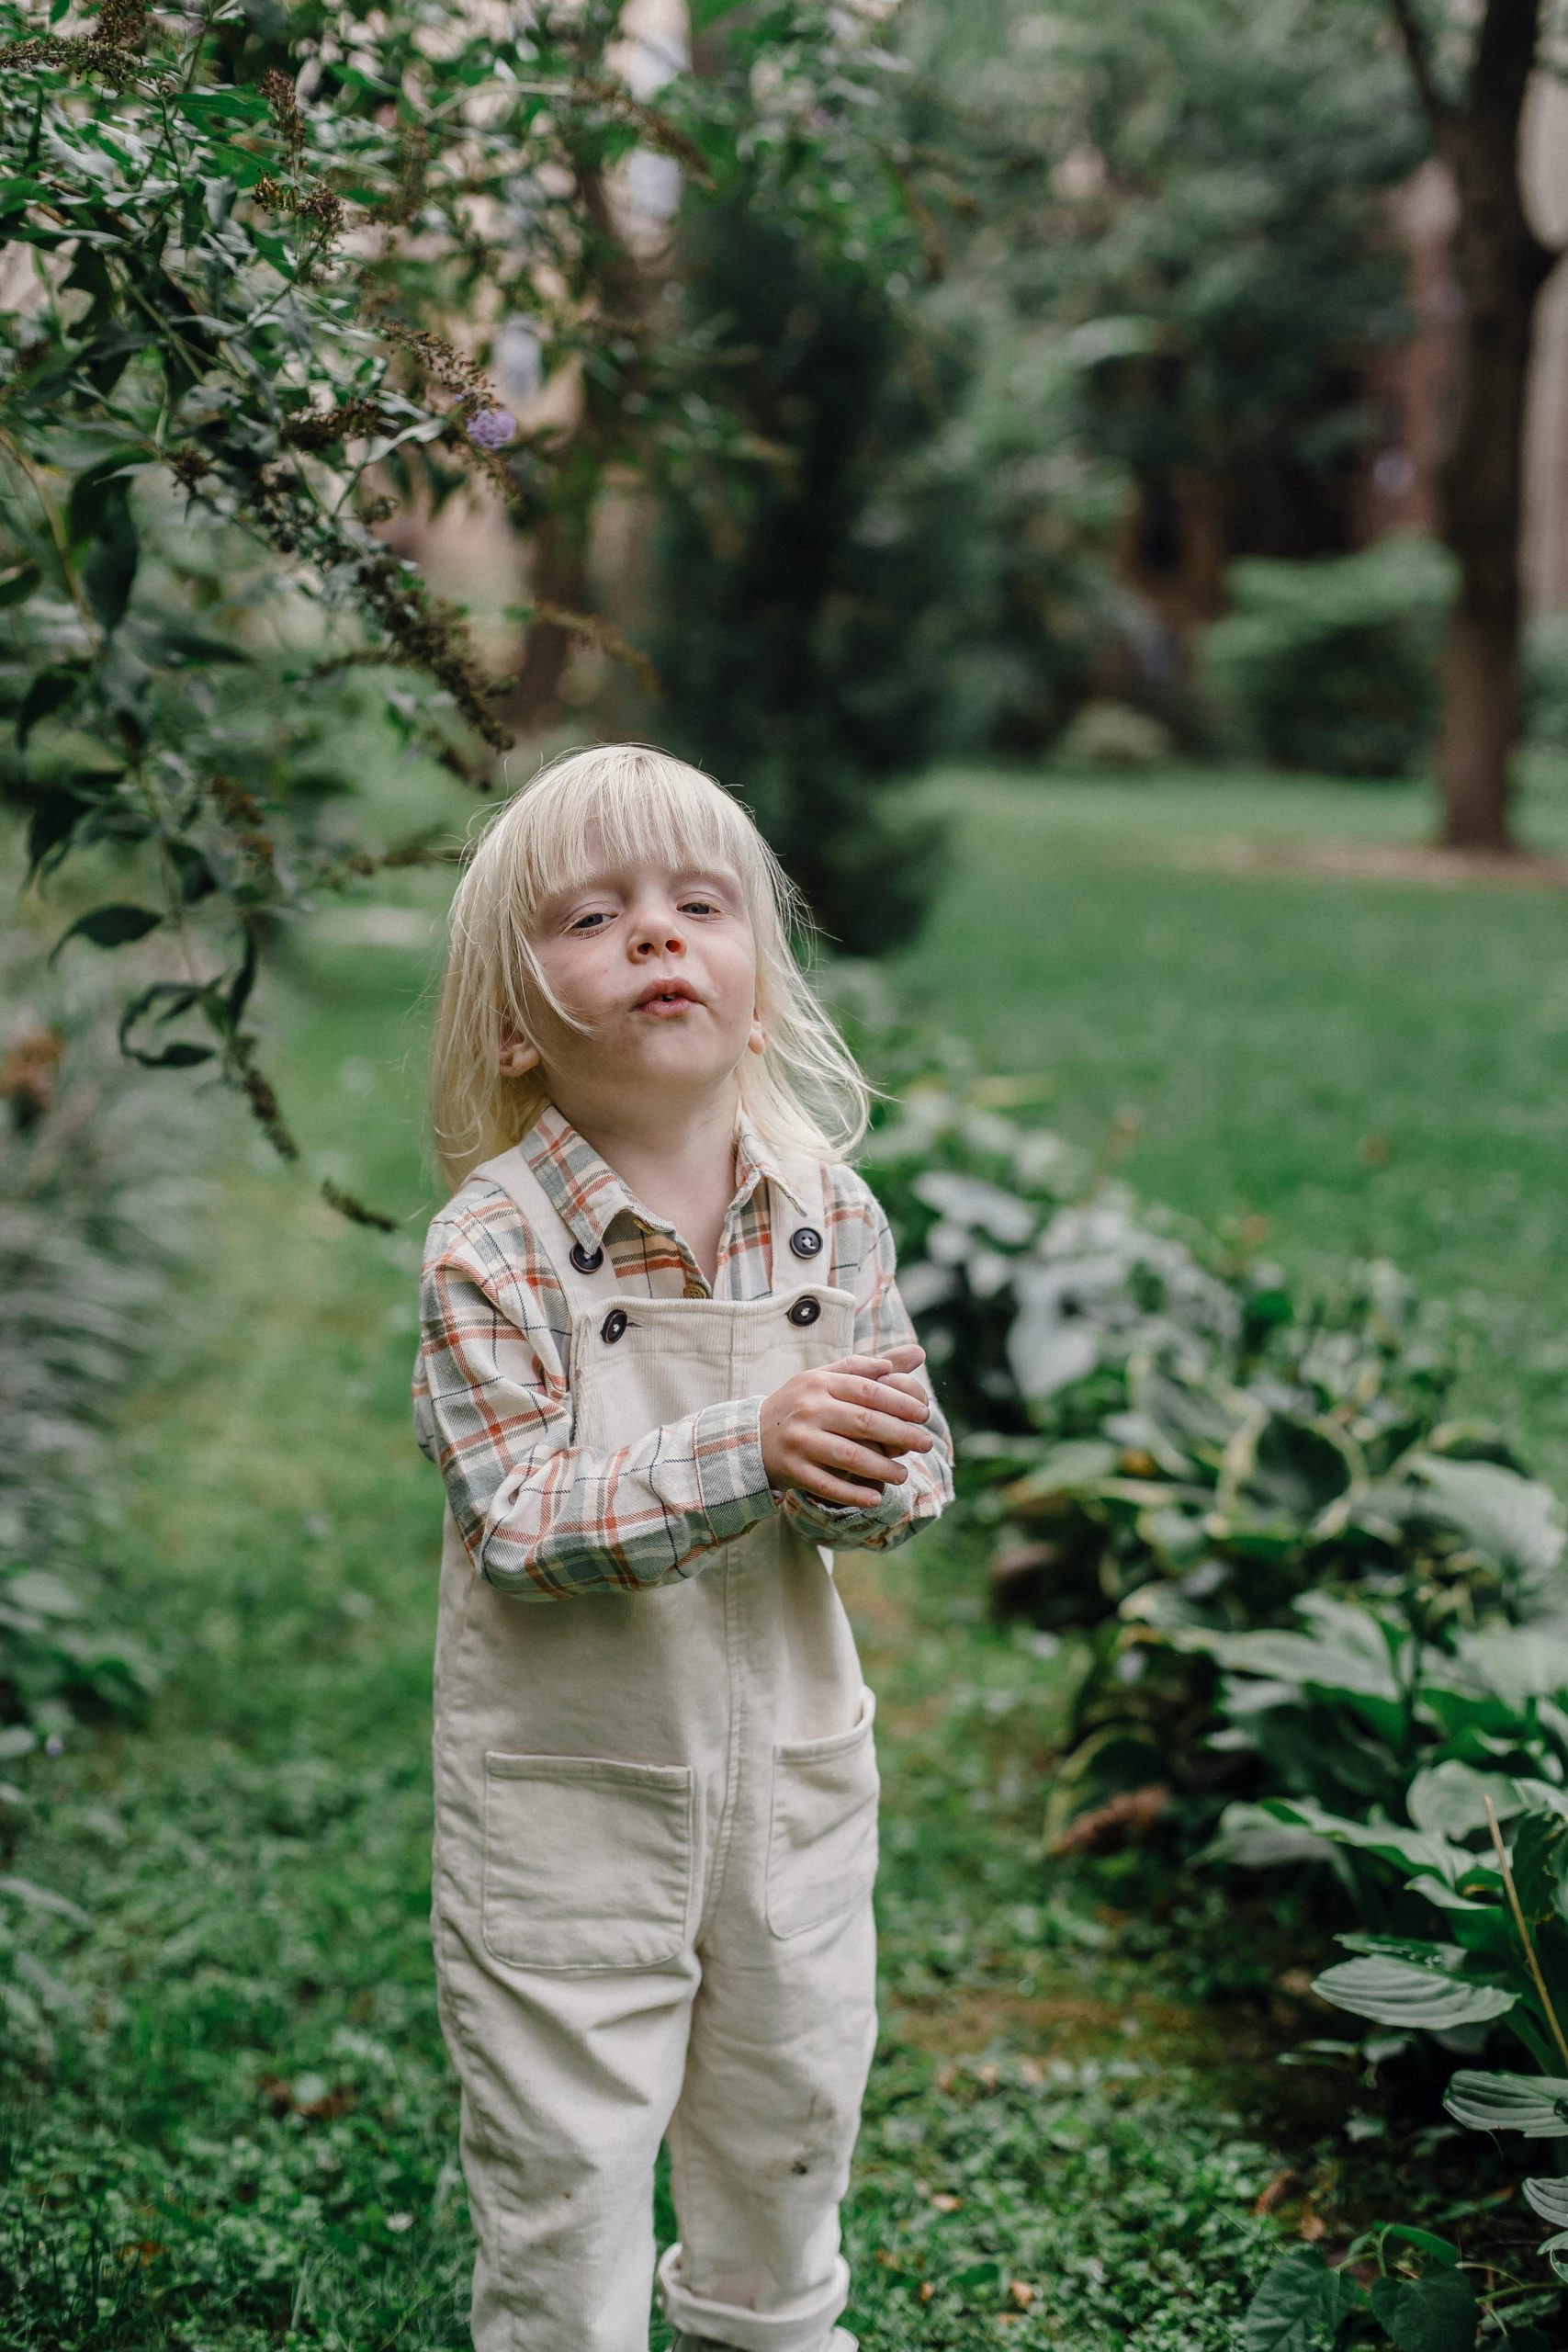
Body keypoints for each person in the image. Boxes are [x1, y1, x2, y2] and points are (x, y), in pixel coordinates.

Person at [412, 742, 954, 2352]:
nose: (656, 935)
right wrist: (751, 1446)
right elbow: (519, 1518)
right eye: (594, 915)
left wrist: (865, 1478)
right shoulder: (493, 1246)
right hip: (569, 1798)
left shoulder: (830, 1218)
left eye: (697, 904)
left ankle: (769, 2327)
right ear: (518, 1022)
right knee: (567, 2170)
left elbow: (911, 1477)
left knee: (789, 2121)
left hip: (787, 1783)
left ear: (760, 989)